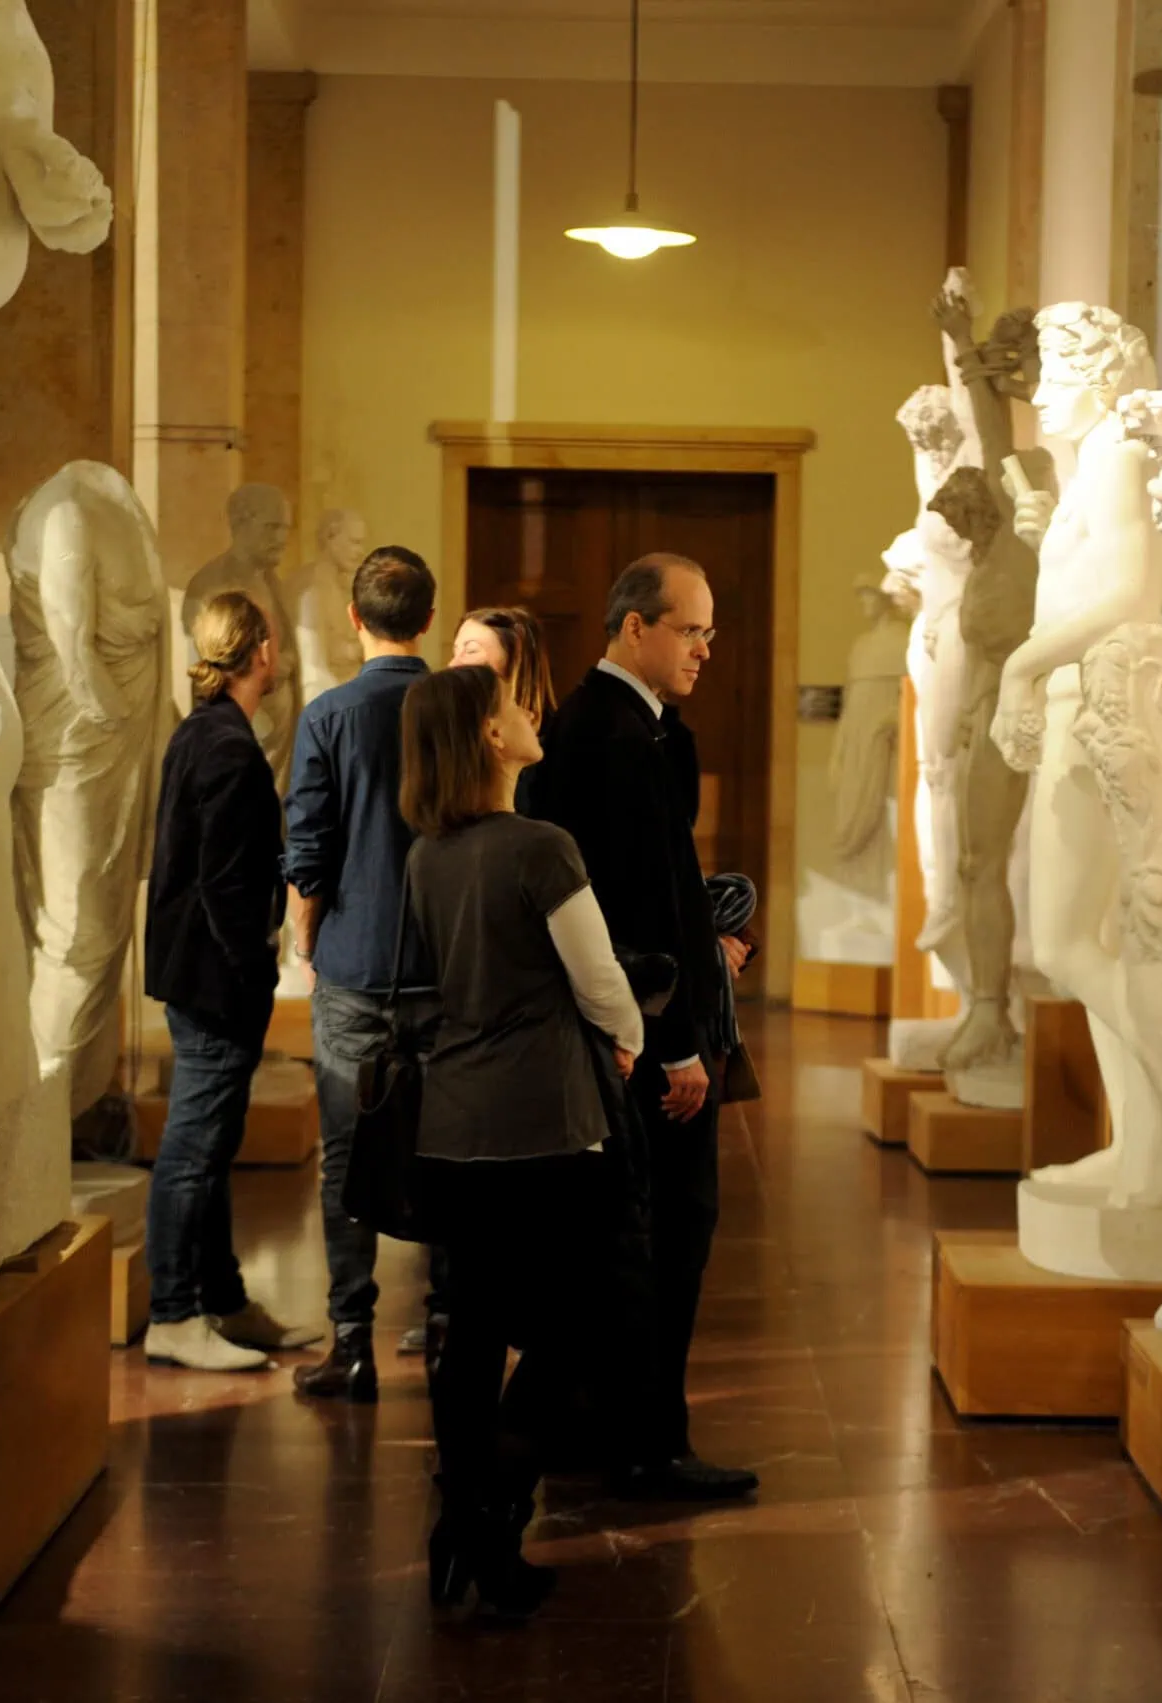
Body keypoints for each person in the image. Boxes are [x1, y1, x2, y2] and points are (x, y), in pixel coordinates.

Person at [399, 665, 647, 1618]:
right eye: (512, 706)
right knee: (583, 1324)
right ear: (490, 739)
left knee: (474, 1332)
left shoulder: (428, 856)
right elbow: (600, 980)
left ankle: (468, 1520)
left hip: (452, 1124)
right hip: (545, 1119)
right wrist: (630, 1041)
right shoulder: (542, 846)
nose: (529, 712)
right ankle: (491, 1506)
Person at [522, 554, 759, 1501]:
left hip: (653, 1021)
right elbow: (617, 911)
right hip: (650, 1041)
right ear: (633, 628)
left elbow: (660, 892)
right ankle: (647, 1442)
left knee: (639, 1238)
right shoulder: (609, 737)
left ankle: (604, 1425)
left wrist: (710, 942)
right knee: (664, 1236)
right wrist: (677, 1043)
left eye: (708, 631)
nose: (705, 647)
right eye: (689, 629)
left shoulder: (638, 728)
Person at [140, 593, 323, 1371]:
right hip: (215, 979)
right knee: (194, 1147)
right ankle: (175, 1313)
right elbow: (220, 881)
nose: (276, 655)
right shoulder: (225, 747)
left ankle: (222, 1300)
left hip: (202, 974)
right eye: (272, 643)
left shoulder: (205, 731)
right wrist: (258, 960)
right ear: (257, 652)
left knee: (208, 1147)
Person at [284, 545, 440, 1399]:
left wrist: (309, 940)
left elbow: (308, 848)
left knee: (347, 1160)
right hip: (448, 966)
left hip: (353, 962)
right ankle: (449, 1318)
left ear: (354, 619)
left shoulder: (328, 714)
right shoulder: (457, 708)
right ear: (426, 618)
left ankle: (352, 1340)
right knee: (451, 1148)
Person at [450, 606, 559, 725]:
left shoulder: (560, 738)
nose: (452, 664)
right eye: (455, 652)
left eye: (471, 650)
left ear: (516, 659)